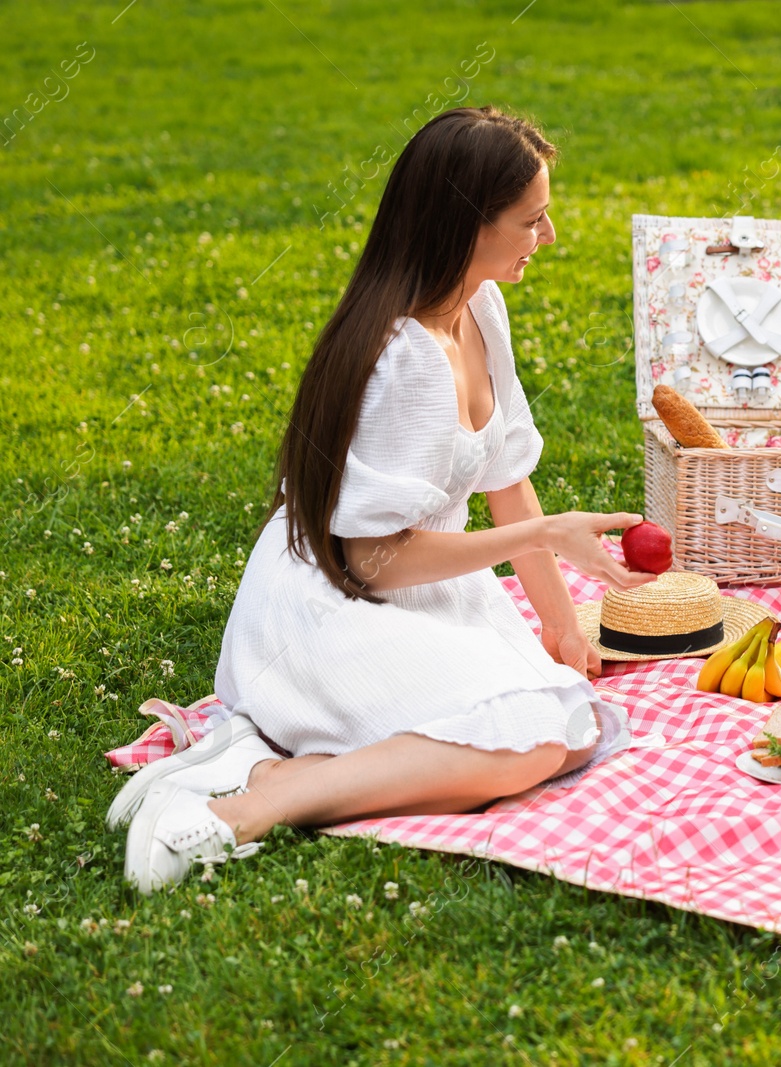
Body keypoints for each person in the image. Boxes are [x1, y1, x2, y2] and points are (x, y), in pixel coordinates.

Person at [114, 107, 653, 893]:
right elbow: (372, 559)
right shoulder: (408, 360)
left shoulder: (481, 308)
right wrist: (546, 534)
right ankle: (263, 800)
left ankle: (283, 765)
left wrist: (563, 630)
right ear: (466, 227)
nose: (551, 236)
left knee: (567, 726)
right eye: (532, 220)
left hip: (426, 587)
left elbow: (506, 480)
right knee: (535, 744)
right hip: (333, 605)